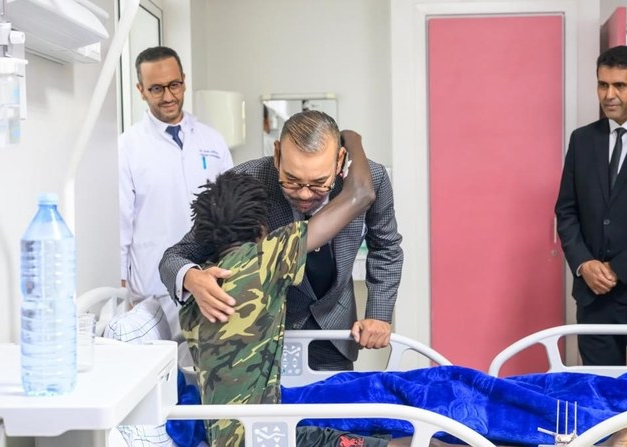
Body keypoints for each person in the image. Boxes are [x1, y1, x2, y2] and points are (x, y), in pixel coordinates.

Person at [178, 143, 411, 446]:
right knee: (396, 441)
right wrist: (350, 138)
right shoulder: (266, 260)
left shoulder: (196, 296)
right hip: (265, 437)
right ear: (261, 228)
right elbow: (360, 194)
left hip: (224, 438)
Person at [160, 110, 403, 371]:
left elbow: (386, 247)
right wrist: (191, 278)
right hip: (260, 336)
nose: (306, 194)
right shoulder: (245, 182)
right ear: (277, 155)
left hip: (333, 331)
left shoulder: (373, 179)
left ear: (339, 160)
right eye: (292, 181)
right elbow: (175, 257)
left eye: (319, 183)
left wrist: (378, 314)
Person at [118, 46, 233, 337]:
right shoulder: (127, 147)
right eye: (156, 89)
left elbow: (233, 214)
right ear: (140, 90)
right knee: (162, 378)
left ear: (184, 80)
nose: (168, 96)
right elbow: (121, 226)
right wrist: (121, 294)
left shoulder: (213, 141)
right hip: (152, 294)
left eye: (174, 85)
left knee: (202, 378)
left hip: (208, 287)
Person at [555, 45, 627, 366]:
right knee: (600, 395)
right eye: (603, 85)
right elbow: (566, 211)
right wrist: (584, 263)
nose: (609, 95)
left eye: (620, 85)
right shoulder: (582, 140)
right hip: (594, 298)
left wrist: (618, 270)